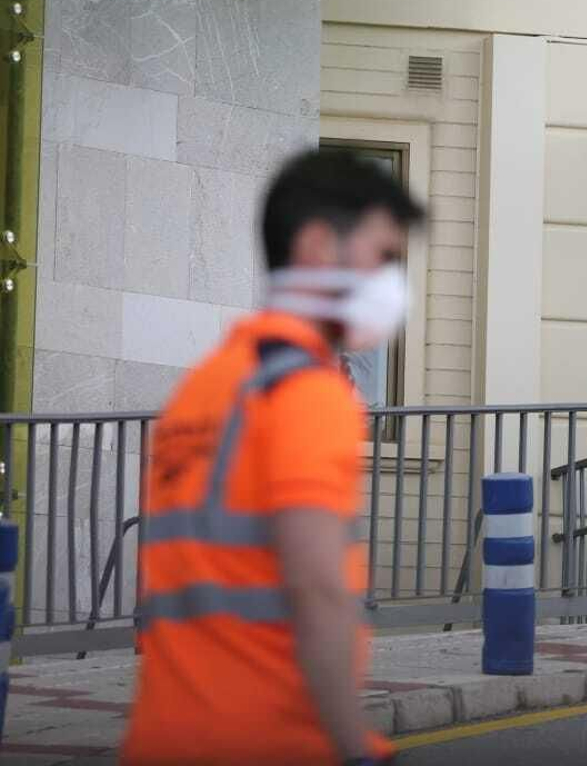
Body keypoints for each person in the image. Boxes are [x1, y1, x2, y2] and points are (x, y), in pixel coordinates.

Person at [123, 149, 425, 766]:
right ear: (319, 246)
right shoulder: (308, 394)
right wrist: (353, 748)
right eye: (385, 256)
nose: (395, 283)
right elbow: (316, 588)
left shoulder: (203, 389)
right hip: (271, 741)